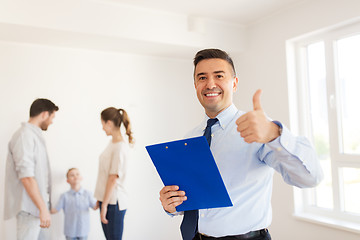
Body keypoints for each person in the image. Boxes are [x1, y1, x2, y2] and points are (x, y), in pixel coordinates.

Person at [159, 49, 324, 240]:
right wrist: (171, 205)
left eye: (219, 76)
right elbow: (193, 197)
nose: (210, 84)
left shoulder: (258, 130)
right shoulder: (191, 137)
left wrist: (274, 134)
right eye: (202, 77)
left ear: (234, 83)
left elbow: (310, 178)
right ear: (195, 85)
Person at [4, 98, 59, 240]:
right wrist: (42, 208)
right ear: (45, 114)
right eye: (52, 117)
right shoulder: (24, 136)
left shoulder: (34, 136)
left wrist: (45, 207)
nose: (52, 122)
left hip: (39, 208)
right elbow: (26, 176)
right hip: (30, 209)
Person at [94, 107, 134, 240]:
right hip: (107, 200)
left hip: (113, 203)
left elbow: (113, 178)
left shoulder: (120, 147)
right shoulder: (112, 143)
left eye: (103, 124)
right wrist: (100, 199)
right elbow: (105, 175)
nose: (102, 128)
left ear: (109, 123)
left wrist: (104, 205)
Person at [51, 168, 98, 240]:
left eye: (77, 174)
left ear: (81, 178)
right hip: (70, 232)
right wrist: (43, 208)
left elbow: (95, 207)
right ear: (67, 180)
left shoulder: (88, 194)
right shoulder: (64, 196)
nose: (75, 176)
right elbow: (55, 209)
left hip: (83, 230)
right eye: (72, 175)